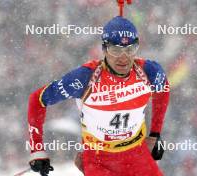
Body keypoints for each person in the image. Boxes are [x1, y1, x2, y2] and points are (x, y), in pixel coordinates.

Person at [27, 16, 170, 176]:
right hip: (99, 160)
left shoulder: (149, 71)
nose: (123, 57)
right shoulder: (84, 78)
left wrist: (155, 133)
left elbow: (163, 88)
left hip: (137, 154)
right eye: (115, 50)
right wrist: (37, 150)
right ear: (104, 48)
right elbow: (38, 99)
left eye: (130, 49)